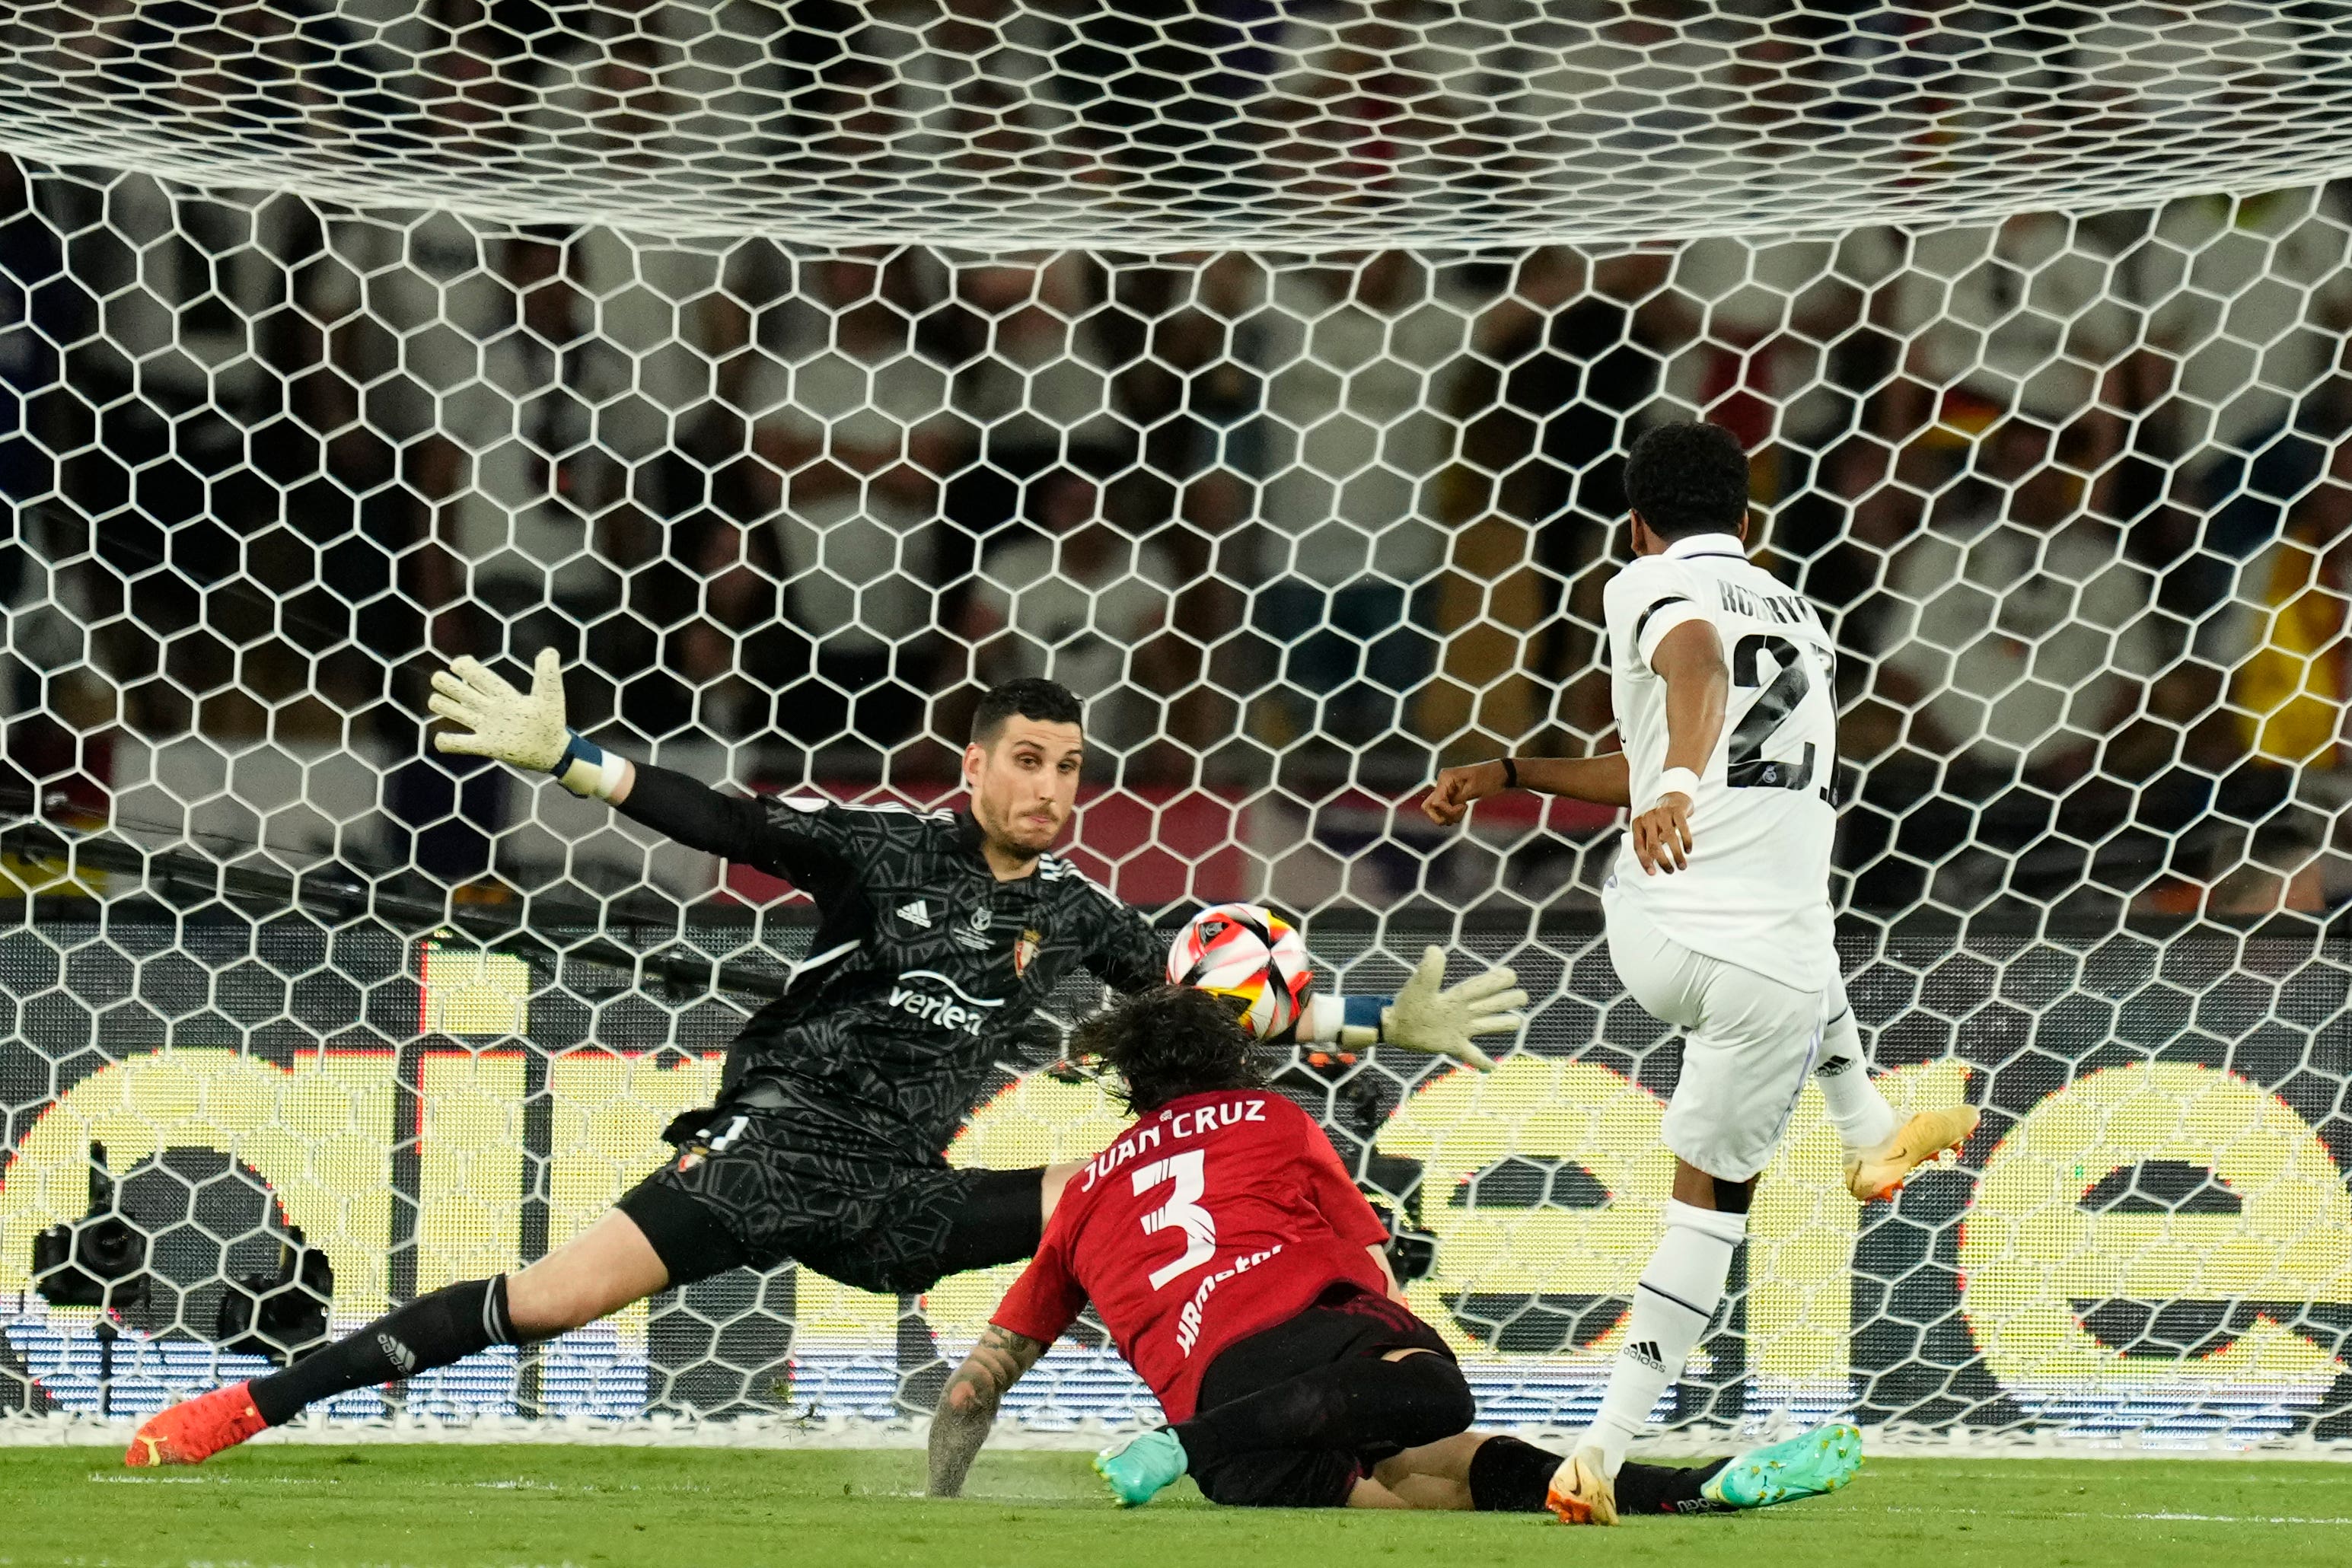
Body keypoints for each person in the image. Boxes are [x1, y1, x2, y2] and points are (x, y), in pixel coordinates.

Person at [126, 671, 1525, 1466]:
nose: (1052, 790)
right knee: (541, 1301)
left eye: (1073, 772)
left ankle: (1278, 1434)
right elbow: (723, 815)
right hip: (769, 1155)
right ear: (974, 766)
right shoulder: (880, 850)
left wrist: (1368, 1026)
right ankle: (248, 1406)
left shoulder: (1078, 912)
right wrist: (573, 762)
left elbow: (1203, 1010)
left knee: (1158, 1185)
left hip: (902, 1200)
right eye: (1029, 762)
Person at [1420, 421, 1976, 1522]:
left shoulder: (1640, 576)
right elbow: (1698, 671)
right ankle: (1599, 1457)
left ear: (1634, 518)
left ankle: (1870, 1131)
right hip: (1746, 965)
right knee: (1712, 1211)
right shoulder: (1795, 616)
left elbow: (1682, 697)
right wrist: (1672, 781)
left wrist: (1517, 768)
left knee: (1795, 922)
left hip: (1658, 929)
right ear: (1748, 519)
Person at [926, 985, 1863, 1519]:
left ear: (1134, 1084)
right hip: (1295, 1353)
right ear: (1230, 1062)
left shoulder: (1083, 1190)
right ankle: (1185, 1444)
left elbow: (972, 1388)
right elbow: (1371, 1272)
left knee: (1421, 1488)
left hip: (1226, 1428)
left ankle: (1700, 1489)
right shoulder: (1271, 1114)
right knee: (1437, 1399)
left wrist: (937, 1497)